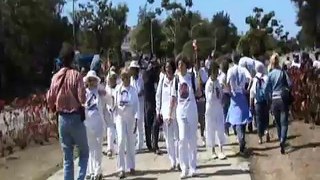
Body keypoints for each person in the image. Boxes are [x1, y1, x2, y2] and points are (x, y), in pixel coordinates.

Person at [47, 42, 89, 180]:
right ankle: (81, 178)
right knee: (84, 153)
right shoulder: (76, 76)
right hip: (76, 117)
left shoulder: (55, 77)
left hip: (62, 119)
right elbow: (82, 98)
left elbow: (50, 99)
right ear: (72, 59)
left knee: (67, 158)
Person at [170, 54, 201, 178]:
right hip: (180, 112)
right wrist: (169, 112)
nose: (180, 66)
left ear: (186, 65)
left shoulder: (192, 77)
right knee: (182, 139)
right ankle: (184, 168)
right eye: (178, 64)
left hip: (192, 111)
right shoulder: (176, 80)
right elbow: (173, 98)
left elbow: (198, 93)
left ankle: (193, 167)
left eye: (182, 64)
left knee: (192, 139)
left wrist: (198, 82)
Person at [112, 68, 139, 179]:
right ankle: (121, 168)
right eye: (123, 77)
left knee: (130, 142)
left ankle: (131, 166)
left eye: (127, 77)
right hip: (120, 118)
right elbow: (113, 104)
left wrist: (137, 120)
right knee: (121, 141)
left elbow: (136, 106)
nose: (125, 79)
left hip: (130, 118)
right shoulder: (117, 89)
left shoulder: (133, 90)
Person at [155, 60, 179, 171]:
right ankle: (172, 161)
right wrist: (158, 111)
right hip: (165, 113)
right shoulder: (162, 80)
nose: (168, 69)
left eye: (170, 67)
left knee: (177, 138)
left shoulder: (176, 79)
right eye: (166, 67)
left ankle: (179, 160)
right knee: (168, 138)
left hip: (176, 112)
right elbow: (158, 96)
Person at [226, 52, 252, 155]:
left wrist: (229, 91)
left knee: (235, 119)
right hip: (242, 93)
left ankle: (240, 139)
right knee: (243, 118)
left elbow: (227, 83)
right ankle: (242, 139)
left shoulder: (230, 70)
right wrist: (247, 89)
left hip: (234, 95)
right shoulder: (243, 69)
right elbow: (250, 78)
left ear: (232, 60)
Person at [266, 53, 292, 154]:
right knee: (284, 122)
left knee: (278, 123)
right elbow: (290, 84)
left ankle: (280, 139)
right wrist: (286, 89)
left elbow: (266, 89)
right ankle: (282, 140)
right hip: (283, 99)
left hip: (274, 100)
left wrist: (268, 98)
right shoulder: (283, 73)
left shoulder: (270, 74)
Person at [83, 70, 106, 180]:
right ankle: (90, 171)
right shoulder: (84, 93)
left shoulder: (100, 92)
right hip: (87, 124)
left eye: (93, 80)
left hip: (98, 122)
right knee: (90, 147)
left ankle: (98, 170)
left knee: (98, 147)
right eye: (89, 80)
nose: (91, 82)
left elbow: (110, 99)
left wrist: (103, 91)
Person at [205, 61, 227, 160]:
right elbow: (209, 97)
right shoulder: (208, 83)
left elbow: (221, 95)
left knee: (220, 128)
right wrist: (213, 91)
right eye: (214, 71)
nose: (215, 73)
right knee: (211, 129)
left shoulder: (218, 82)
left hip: (218, 108)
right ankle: (213, 150)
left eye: (216, 71)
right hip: (210, 109)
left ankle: (221, 149)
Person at [250, 64, 270, 144]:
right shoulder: (266, 78)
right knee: (266, 119)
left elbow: (252, 93)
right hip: (265, 101)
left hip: (257, 103)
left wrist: (251, 105)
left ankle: (260, 138)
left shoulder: (254, 79)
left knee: (258, 120)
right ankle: (266, 131)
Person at [129, 60, 145, 152]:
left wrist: (138, 93)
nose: (132, 71)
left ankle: (140, 144)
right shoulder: (130, 80)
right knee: (132, 124)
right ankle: (133, 143)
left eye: (134, 69)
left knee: (139, 124)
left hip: (140, 103)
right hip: (131, 104)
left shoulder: (140, 79)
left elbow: (143, 90)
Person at [104, 71, 118, 157]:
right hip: (108, 112)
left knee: (117, 130)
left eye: (113, 79)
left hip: (117, 111)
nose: (111, 81)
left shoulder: (118, 88)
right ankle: (109, 148)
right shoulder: (106, 89)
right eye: (109, 79)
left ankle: (117, 148)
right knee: (110, 129)